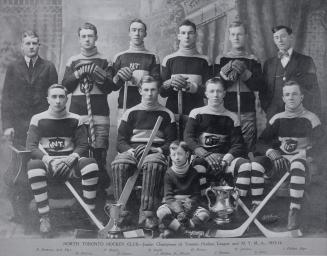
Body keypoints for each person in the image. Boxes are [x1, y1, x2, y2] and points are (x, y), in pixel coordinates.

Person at [26, 84, 99, 236]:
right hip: (48, 164)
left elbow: (83, 145)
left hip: (70, 164)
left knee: (91, 165)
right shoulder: (38, 119)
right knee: (33, 165)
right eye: (54, 97)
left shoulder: (76, 119)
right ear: (48, 99)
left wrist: (70, 159)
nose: (58, 100)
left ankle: (88, 214)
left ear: (67, 99)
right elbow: (31, 146)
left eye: (61, 97)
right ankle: (44, 217)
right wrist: (49, 161)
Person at [253, 80, 324, 230]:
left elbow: (321, 145)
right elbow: (260, 143)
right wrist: (271, 152)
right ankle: (257, 209)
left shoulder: (312, 119)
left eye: (294, 94)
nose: (291, 97)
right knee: (256, 164)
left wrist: (304, 153)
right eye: (287, 94)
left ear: (302, 97)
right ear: (283, 98)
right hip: (281, 162)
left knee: (297, 162)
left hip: (303, 162)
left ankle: (294, 210)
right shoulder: (277, 118)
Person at [111, 75, 177, 230]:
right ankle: (123, 213)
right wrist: (132, 151)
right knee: (119, 164)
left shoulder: (167, 114)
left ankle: (148, 215)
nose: (149, 94)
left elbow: (172, 143)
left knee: (153, 163)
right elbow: (120, 141)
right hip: (134, 152)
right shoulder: (131, 113)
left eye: (153, 90)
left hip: (156, 152)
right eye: (146, 90)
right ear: (140, 91)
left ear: (158, 91)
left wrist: (157, 150)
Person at [62, 22, 117, 188]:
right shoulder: (72, 60)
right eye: (83, 36)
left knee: (99, 154)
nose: (87, 39)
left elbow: (110, 87)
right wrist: (79, 73)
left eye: (90, 36)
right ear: (79, 39)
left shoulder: (105, 60)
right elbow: (65, 87)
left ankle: (99, 195)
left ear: (96, 38)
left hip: (100, 115)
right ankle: (82, 193)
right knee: (80, 153)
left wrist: (95, 71)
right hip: (77, 115)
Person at [184, 77, 252, 201]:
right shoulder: (196, 113)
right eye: (212, 91)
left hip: (224, 160)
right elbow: (188, 137)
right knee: (198, 167)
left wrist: (225, 160)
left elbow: (238, 145)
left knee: (245, 165)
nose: (215, 95)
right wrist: (205, 154)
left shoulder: (232, 117)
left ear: (224, 93)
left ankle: (237, 203)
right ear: (206, 93)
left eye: (219, 91)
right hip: (202, 158)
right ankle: (205, 203)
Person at [1, 30, 58, 146]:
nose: (31, 47)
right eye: (28, 43)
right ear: (22, 46)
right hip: (18, 126)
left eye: (34, 43)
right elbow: (7, 98)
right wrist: (7, 126)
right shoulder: (13, 68)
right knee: (20, 161)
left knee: (42, 162)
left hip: (43, 124)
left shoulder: (49, 67)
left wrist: (52, 123)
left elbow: (55, 99)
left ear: (39, 45)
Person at [215, 21, 263, 152]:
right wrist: (226, 71)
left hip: (248, 113)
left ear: (246, 36)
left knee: (248, 148)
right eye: (233, 34)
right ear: (229, 37)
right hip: (226, 111)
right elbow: (217, 86)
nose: (236, 38)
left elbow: (258, 85)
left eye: (240, 34)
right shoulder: (221, 59)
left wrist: (245, 73)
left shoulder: (253, 59)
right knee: (227, 148)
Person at [160, 20, 210, 137]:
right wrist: (169, 83)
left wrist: (190, 87)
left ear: (195, 36)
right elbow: (162, 92)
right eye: (183, 33)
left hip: (196, 115)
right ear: (178, 36)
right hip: (173, 114)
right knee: (174, 151)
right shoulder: (169, 59)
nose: (187, 36)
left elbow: (209, 92)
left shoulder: (205, 60)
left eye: (190, 33)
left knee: (193, 149)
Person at [260, 25, 321, 121]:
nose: (280, 40)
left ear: (291, 37)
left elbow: (314, 90)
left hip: (299, 115)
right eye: (276, 37)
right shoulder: (268, 64)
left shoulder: (306, 61)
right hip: (274, 115)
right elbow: (263, 90)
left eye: (283, 36)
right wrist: (268, 109)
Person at [157, 141, 210, 238]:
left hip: (189, 204)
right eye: (173, 155)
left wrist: (188, 209)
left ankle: (178, 228)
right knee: (161, 212)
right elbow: (168, 196)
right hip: (174, 204)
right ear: (170, 156)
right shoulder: (169, 173)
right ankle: (184, 231)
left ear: (187, 154)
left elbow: (196, 194)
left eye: (180, 154)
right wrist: (180, 211)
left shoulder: (193, 172)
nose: (177, 157)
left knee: (204, 214)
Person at [112, 18, 160, 122]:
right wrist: (119, 77)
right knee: (123, 137)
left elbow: (157, 84)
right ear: (129, 33)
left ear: (145, 34)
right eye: (133, 30)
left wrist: (133, 79)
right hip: (124, 106)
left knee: (142, 137)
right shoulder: (120, 56)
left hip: (147, 106)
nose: (137, 33)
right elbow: (114, 86)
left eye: (140, 30)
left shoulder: (152, 57)